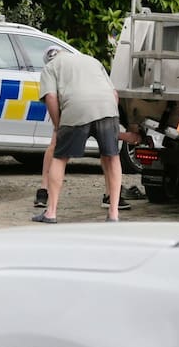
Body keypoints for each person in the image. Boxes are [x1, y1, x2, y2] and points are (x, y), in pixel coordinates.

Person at [32, 46, 124, 223]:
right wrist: (112, 114)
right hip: (107, 107)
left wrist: (59, 126)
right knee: (112, 156)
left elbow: (51, 97)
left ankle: (51, 212)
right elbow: (114, 93)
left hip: (76, 108)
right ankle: (113, 213)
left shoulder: (50, 67)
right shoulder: (92, 60)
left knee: (60, 158)